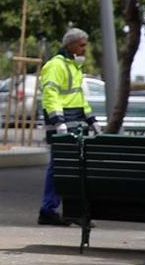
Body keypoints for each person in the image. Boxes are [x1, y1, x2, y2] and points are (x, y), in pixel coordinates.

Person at [37, 27, 102, 226]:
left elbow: (78, 97)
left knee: (65, 167)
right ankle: (51, 210)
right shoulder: (56, 65)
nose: (85, 49)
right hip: (63, 124)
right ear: (71, 44)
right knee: (60, 167)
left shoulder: (73, 65)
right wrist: (59, 123)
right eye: (82, 45)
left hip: (73, 123)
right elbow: (51, 95)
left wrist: (91, 119)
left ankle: (56, 210)